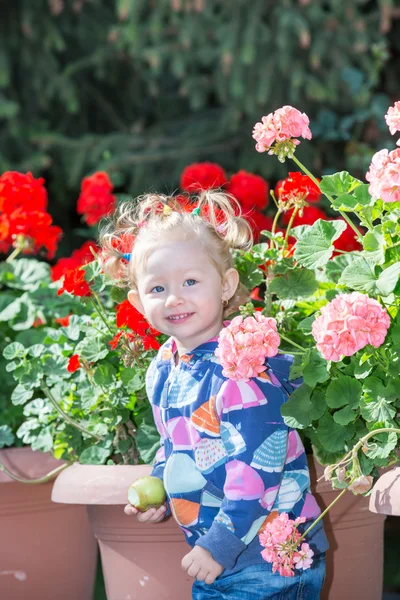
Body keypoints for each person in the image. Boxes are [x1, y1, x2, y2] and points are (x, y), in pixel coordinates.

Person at [99, 191, 328, 600]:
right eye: (157, 288)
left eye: (190, 281)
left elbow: (259, 470)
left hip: (269, 559)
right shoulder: (165, 367)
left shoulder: (240, 370)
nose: (175, 298)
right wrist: (159, 486)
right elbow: (178, 447)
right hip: (224, 556)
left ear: (225, 285)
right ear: (136, 302)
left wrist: (217, 545)